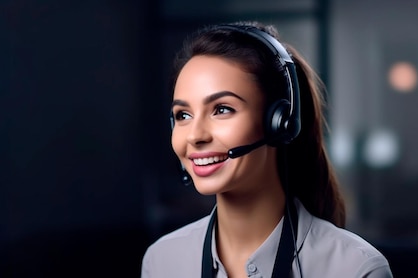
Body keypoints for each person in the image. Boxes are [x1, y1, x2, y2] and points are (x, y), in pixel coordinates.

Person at [141, 21, 393, 278]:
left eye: (222, 109)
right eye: (183, 115)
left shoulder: (356, 268)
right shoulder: (162, 261)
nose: (195, 136)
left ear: (279, 122)